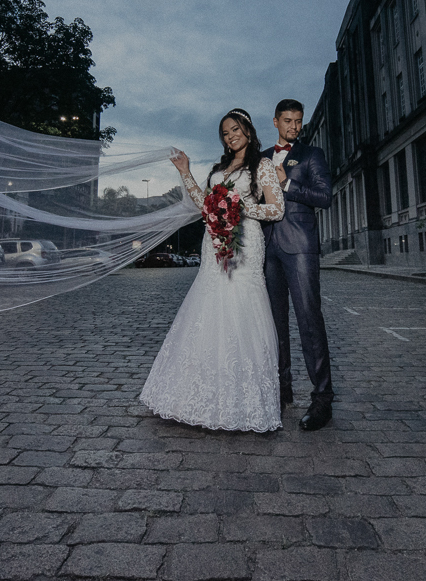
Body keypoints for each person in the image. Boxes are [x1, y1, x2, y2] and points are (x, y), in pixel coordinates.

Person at [139, 108, 285, 432]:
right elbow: (203, 204)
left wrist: (242, 207)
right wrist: (185, 171)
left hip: (245, 243)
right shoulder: (219, 168)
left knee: (242, 310)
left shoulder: (262, 165)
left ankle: (244, 405)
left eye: (235, 129)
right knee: (208, 309)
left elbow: (277, 208)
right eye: (225, 132)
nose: (230, 135)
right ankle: (194, 398)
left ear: (247, 129)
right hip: (213, 244)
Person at [262, 98, 334, 431]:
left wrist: (287, 183)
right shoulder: (261, 158)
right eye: (287, 121)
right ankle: (282, 389)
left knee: (309, 320)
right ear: (275, 121)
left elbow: (325, 197)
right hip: (268, 248)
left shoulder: (312, 155)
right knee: (273, 323)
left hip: (300, 246)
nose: (294, 127)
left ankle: (322, 400)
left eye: (298, 121)